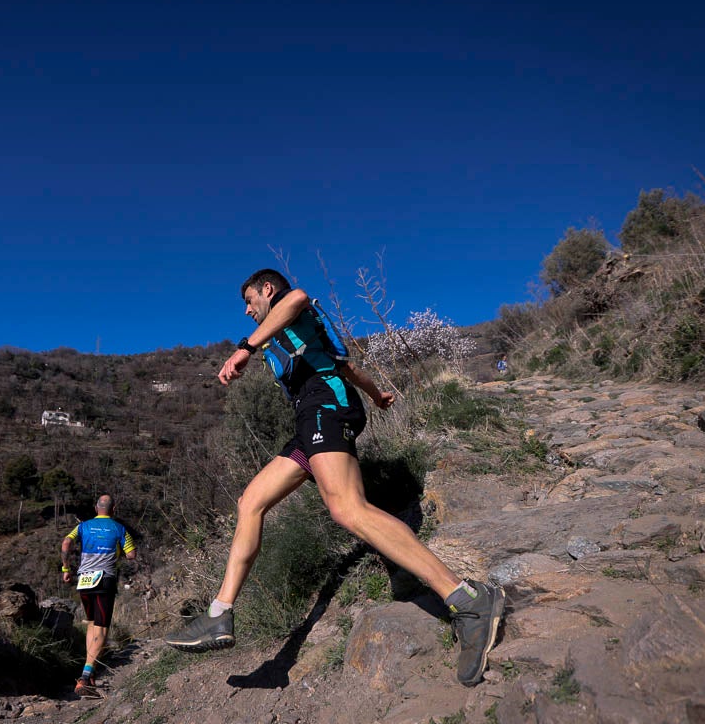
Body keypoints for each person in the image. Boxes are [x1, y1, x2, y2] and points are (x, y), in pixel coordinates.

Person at [163, 269, 506, 687]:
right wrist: (376, 394)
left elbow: (299, 296)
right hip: (314, 413)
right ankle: (219, 614)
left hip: (324, 406)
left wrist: (244, 348)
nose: (248, 310)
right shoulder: (292, 335)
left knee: (346, 508)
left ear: (267, 290)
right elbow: (345, 366)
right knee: (251, 502)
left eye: (250, 300)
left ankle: (468, 599)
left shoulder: (291, 308)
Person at [61, 494, 136, 698]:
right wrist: (119, 550)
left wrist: (66, 568)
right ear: (113, 509)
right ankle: (85, 678)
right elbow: (132, 555)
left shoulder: (83, 526)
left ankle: (90, 673)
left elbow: (66, 543)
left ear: (96, 508)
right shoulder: (120, 528)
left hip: (84, 580)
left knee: (92, 623)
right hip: (105, 580)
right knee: (102, 628)